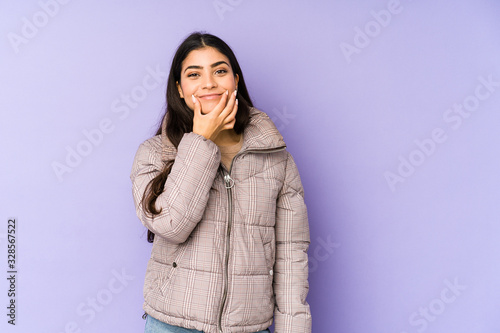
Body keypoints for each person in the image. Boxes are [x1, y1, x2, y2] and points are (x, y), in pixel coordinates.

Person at [130, 32, 311, 333]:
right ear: (180, 88)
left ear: (236, 80)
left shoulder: (276, 157)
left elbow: (291, 256)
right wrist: (201, 140)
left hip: (250, 326)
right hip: (173, 325)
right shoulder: (153, 154)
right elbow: (171, 225)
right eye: (194, 74)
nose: (209, 83)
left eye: (220, 71)